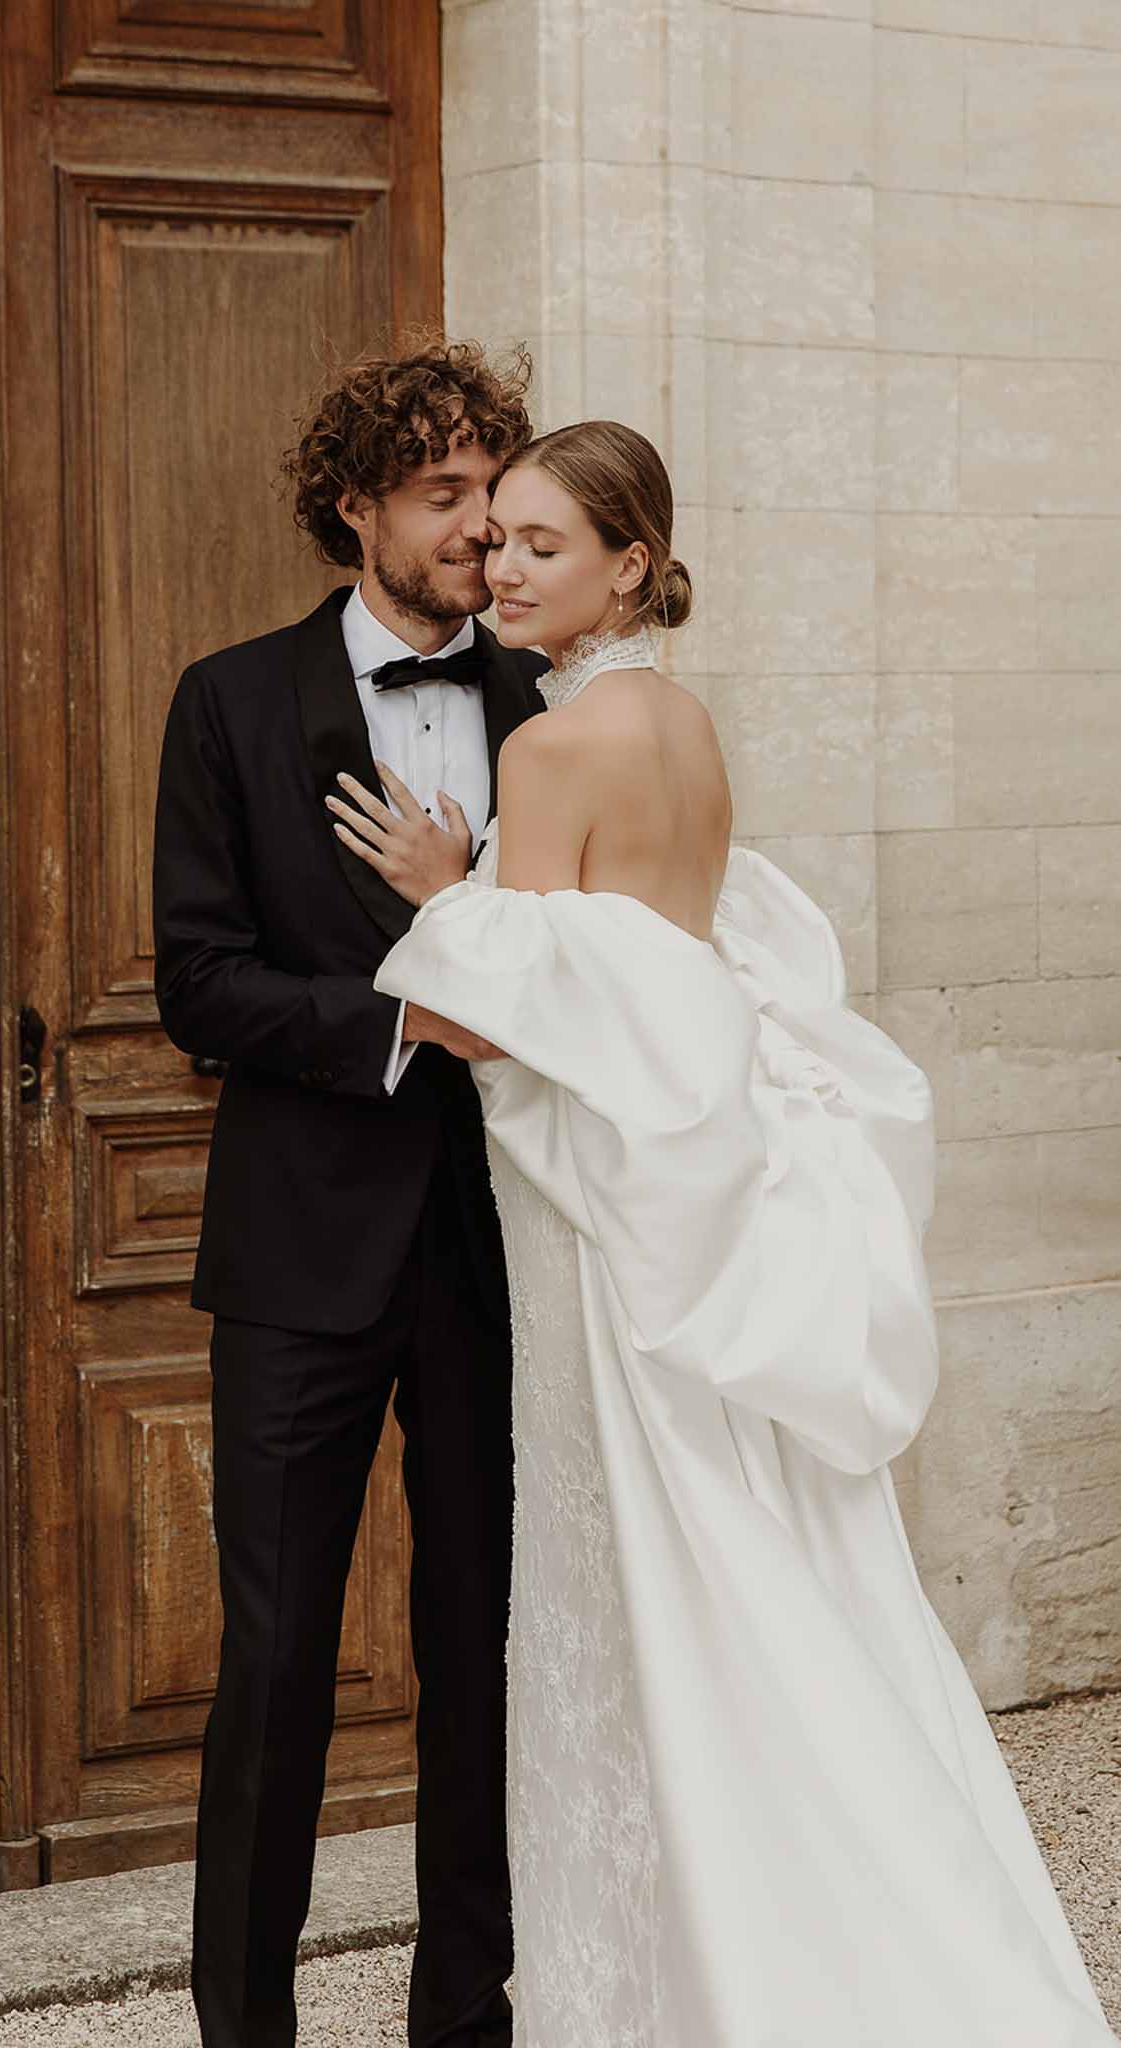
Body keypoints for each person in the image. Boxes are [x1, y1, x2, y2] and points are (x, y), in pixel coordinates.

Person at [336, 419, 1118, 2045]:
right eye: (497, 542)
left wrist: (437, 895)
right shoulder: (684, 726)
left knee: (649, 1557)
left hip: (601, 1225)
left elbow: (510, 1022)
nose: (504, 569)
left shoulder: (548, 755)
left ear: (630, 563)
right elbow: (667, 965)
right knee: (739, 1531)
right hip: (683, 1182)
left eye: (543, 544)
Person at [151, 338, 549, 2048]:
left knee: (486, 1657)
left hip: (508, 1254)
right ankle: (245, 2029)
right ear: (355, 508)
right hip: (299, 1252)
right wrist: (401, 1013)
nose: (478, 531)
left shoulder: (558, 710)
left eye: (494, 494)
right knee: (276, 1665)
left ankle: (463, 2017)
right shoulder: (229, 699)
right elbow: (198, 983)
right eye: (443, 496)